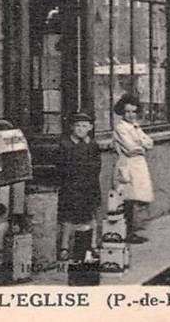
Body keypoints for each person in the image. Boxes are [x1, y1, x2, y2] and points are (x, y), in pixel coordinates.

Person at [57, 112, 102, 262]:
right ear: (71, 127)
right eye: (77, 126)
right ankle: (65, 247)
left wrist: (90, 177)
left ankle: (92, 245)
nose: (81, 129)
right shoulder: (65, 144)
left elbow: (97, 165)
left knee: (91, 216)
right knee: (68, 217)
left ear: (90, 127)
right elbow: (62, 166)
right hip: (71, 186)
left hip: (89, 185)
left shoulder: (92, 145)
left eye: (84, 126)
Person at [112, 94, 154, 244]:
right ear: (122, 112)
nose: (131, 115)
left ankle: (131, 232)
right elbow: (130, 148)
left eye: (133, 112)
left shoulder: (136, 127)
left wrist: (141, 144)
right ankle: (125, 233)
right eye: (127, 112)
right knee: (126, 200)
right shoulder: (120, 128)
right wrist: (141, 145)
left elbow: (149, 143)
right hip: (127, 166)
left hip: (139, 166)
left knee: (136, 199)